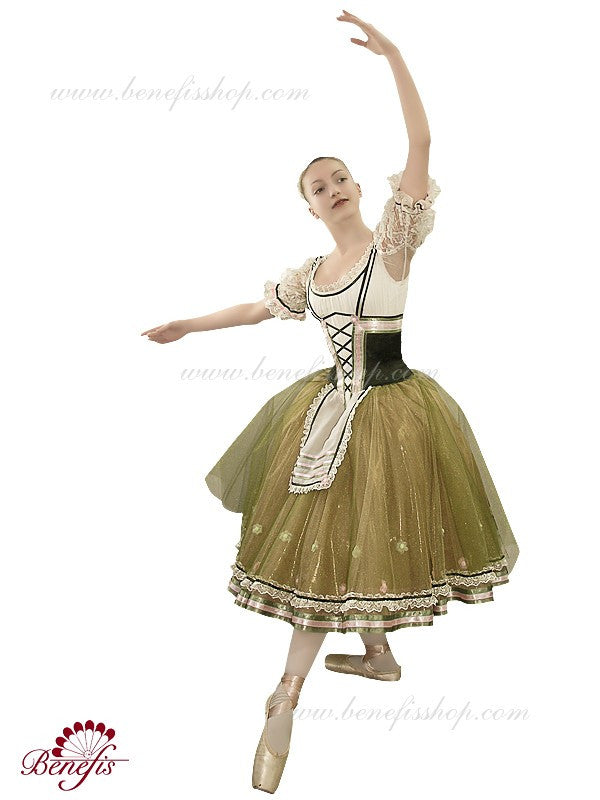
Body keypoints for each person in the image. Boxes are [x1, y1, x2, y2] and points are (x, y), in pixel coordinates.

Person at [141, 9, 519, 794]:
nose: (335, 189)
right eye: (320, 187)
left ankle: (300, 688)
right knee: (340, 542)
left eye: (341, 177)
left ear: (358, 188)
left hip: (394, 413)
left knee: (356, 537)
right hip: (328, 416)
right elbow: (256, 310)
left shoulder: (392, 245)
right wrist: (186, 325)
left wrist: (395, 55)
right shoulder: (311, 276)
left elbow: (420, 144)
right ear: (309, 207)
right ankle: (359, 663)